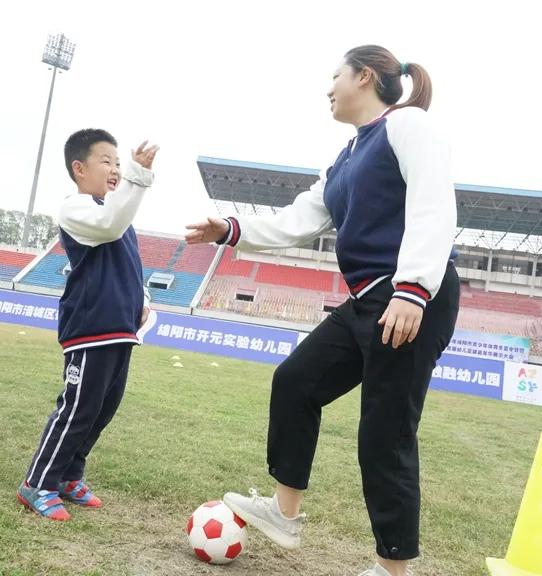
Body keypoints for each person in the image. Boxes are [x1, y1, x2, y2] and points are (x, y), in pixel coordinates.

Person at [185, 45, 459, 576]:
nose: (328, 88)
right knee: (296, 382)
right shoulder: (345, 157)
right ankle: (283, 514)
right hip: (366, 300)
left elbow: (433, 203)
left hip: (409, 296)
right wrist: (231, 229)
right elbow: (298, 220)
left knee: (385, 434)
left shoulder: (408, 126)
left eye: (335, 75)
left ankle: (391, 570)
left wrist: (413, 290)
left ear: (364, 76)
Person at [17, 129, 157, 521]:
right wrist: (138, 176)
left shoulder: (117, 214)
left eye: (119, 162)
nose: (115, 169)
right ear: (79, 169)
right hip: (91, 325)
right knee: (79, 407)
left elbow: (129, 265)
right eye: (106, 161)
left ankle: (69, 476)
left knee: (102, 408)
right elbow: (109, 225)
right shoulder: (77, 208)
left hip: (120, 327)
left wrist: (143, 300)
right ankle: (38, 482)